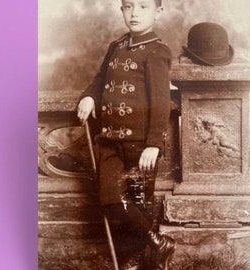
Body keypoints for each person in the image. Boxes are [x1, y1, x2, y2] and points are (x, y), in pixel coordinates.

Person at [77, 0, 175, 269]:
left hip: (140, 145)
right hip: (109, 139)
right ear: (121, 10)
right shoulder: (116, 46)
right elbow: (100, 79)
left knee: (139, 203)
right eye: (128, 6)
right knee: (110, 199)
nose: (134, 13)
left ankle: (136, 260)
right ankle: (159, 243)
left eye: (143, 7)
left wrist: (153, 144)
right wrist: (89, 97)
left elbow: (160, 101)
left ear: (158, 12)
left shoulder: (157, 51)